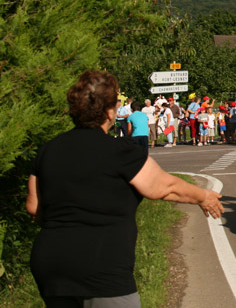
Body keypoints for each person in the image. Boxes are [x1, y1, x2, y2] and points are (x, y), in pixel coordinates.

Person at [26, 70, 223, 307]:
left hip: (51, 266)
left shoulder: (48, 150)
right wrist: (203, 196)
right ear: (110, 112)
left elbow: (34, 206)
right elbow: (164, 187)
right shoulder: (120, 151)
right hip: (102, 265)